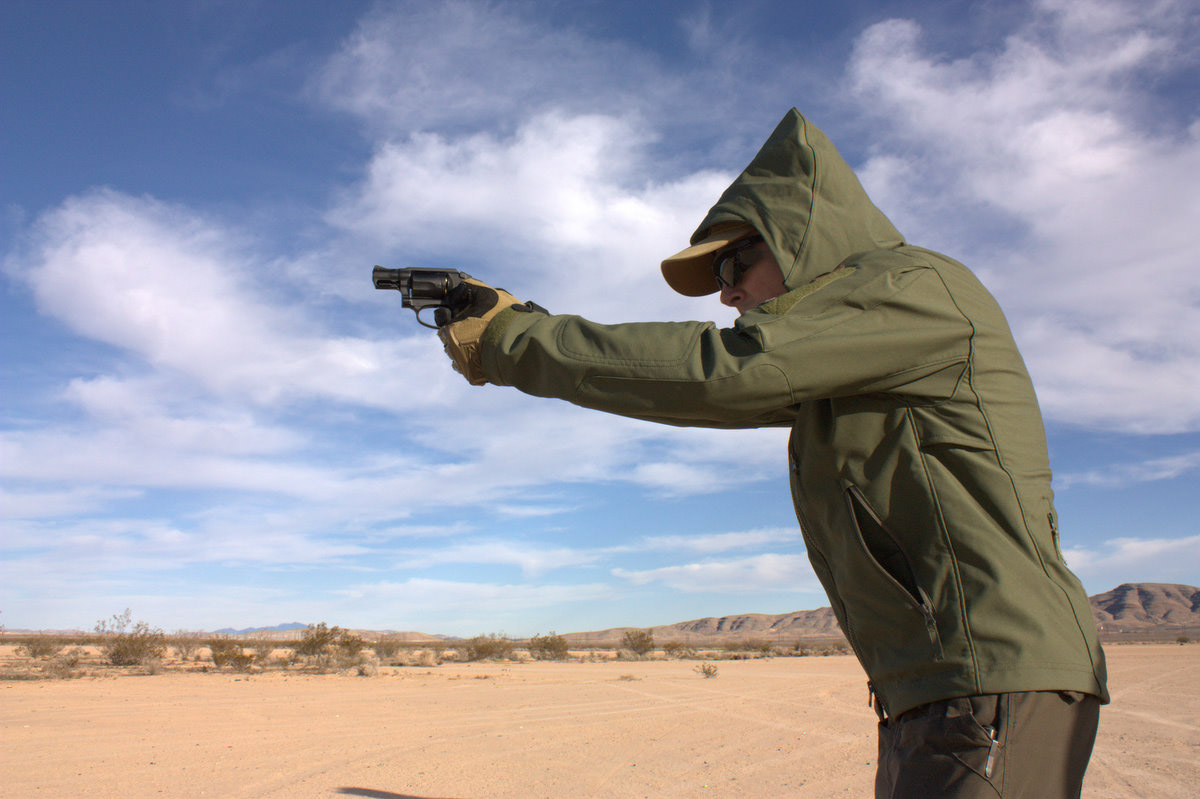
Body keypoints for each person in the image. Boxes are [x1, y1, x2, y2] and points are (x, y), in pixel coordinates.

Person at [435, 109, 1109, 798]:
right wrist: (524, 329)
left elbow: (720, 372)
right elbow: (683, 388)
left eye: (735, 263)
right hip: (942, 685)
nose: (728, 292)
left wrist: (513, 338)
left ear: (799, 237)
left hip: (993, 672)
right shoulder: (851, 360)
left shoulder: (912, 287)